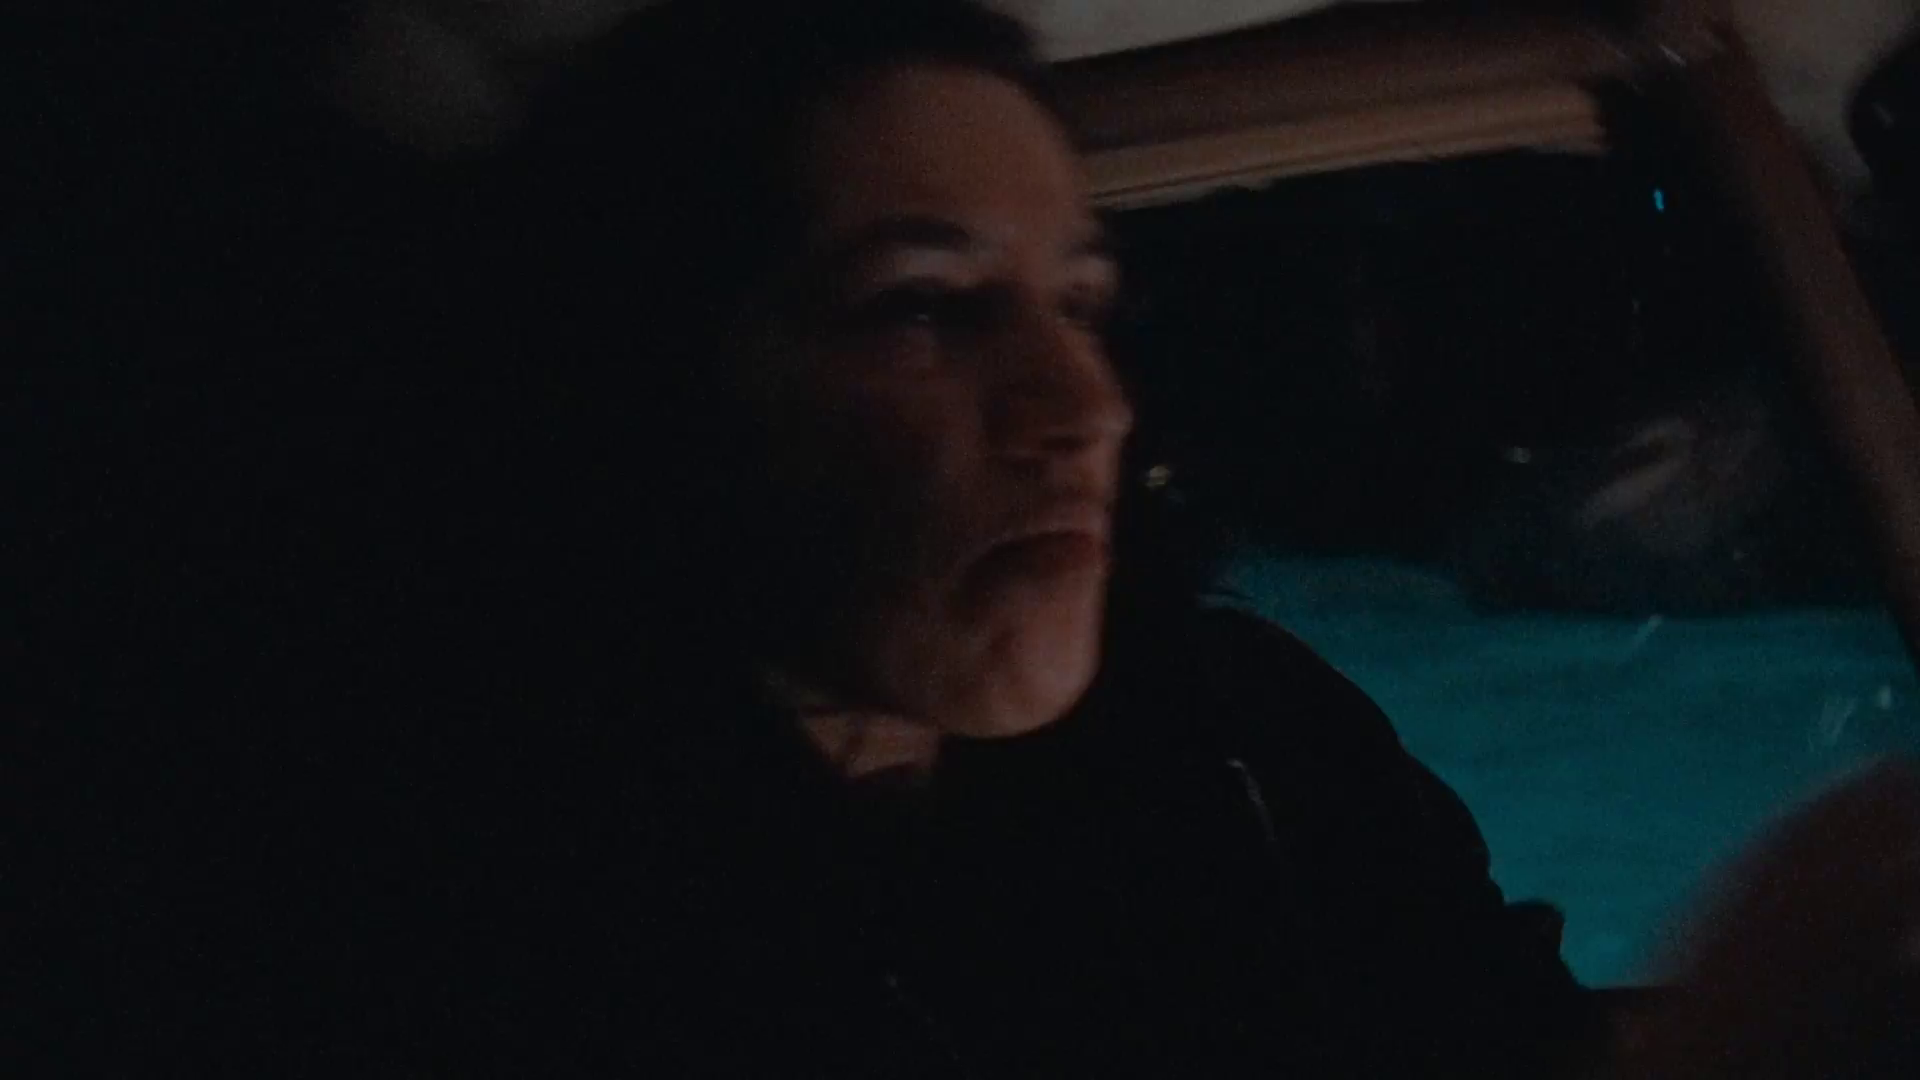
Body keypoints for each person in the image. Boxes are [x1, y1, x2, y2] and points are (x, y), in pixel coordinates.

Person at [28, 1, 1918, 1077]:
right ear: (652, 381)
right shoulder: (419, 897)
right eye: (926, 304)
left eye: (1082, 301)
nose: (1078, 403)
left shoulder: (1257, 752)